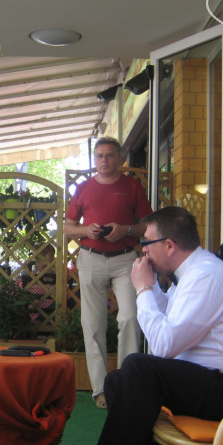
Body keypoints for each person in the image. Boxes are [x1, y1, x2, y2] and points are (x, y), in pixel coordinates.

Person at [87, 206, 223, 445]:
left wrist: (143, 290)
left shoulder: (206, 276)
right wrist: (151, 286)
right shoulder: (192, 272)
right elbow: (167, 315)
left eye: (147, 242)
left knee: (138, 367)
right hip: (213, 379)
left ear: (169, 245)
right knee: (117, 380)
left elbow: (164, 346)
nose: (143, 250)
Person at [65, 137, 152, 408]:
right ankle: (100, 390)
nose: (105, 160)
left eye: (110, 155)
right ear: (95, 159)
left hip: (125, 259)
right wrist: (86, 230)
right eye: (100, 155)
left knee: (129, 317)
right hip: (90, 258)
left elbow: (147, 226)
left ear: (120, 159)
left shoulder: (132, 186)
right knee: (93, 325)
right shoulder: (83, 188)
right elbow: (67, 227)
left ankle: (126, 385)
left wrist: (125, 229)